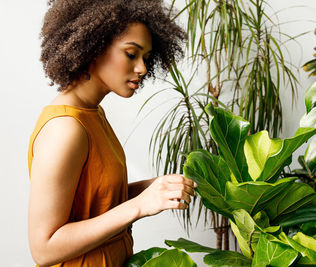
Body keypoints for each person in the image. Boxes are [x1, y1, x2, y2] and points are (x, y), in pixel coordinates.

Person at [27, 1, 196, 266]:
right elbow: (44, 248)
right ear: (93, 47)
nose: (142, 68)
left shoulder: (92, 114)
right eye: (131, 54)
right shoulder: (66, 129)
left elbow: (94, 201)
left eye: (147, 58)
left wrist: (150, 189)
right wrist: (139, 206)